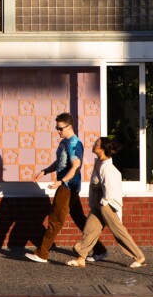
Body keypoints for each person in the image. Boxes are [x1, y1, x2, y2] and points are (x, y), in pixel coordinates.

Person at [26, 112, 106, 263]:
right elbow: (60, 162)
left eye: (60, 128)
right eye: (57, 128)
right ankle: (100, 249)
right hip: (67, 185)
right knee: (80, 219)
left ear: (69, 127)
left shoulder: (75, 144)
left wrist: (61, 182)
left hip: (68, 187)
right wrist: (45, 171)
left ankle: (42, 253)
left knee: (56, 219)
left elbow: (76, 166)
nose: (58, 131)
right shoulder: (64, 142)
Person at [66, 137, 146, 268]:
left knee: (118, 231)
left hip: (106, 204)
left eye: (96, 144)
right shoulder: (98, 162)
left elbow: (110, 187)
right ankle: (81, 258)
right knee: (90, 229)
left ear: (102, 148)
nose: (93, 145)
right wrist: (94, 203)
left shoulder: (107, 167)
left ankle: (139, 257)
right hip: (98, 203)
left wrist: (104, 203)